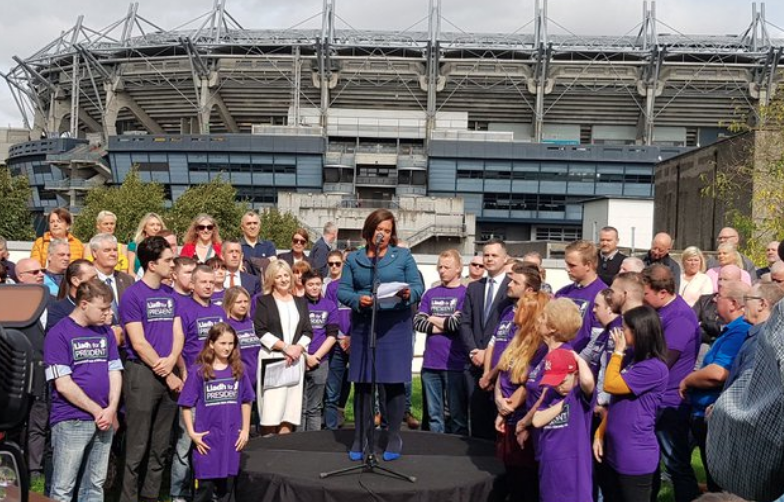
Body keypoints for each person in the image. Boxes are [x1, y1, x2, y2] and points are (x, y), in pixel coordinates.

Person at [338, 208, 424, 460]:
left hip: (395, 324)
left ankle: (394, 435)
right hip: (366, 324)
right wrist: (357, 299)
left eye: (388, 231)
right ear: (369, 230)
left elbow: (418, 286)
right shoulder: (354, 259)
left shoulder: (403, 256)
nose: (383, 234)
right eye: (379, 230)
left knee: (393, 382)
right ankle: (360, 436)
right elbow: (342, 290)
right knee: (364, 382)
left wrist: (410, 294)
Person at [44, 279, 123, 502]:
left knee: (95, 485)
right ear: (84, 304)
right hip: (72, 419)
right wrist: (98, 410)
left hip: (104, 418)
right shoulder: (59, 333)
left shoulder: (105, 332)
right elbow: (63, 384)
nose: (108, 314)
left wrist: (111, 409)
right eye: (103, 309)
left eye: (109, 308)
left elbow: (115, 371)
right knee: (63, 487)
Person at [119, 236, 184, 502]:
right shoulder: (133, 295)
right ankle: (128, 496)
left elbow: (178, 331)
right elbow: (138, 341)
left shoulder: (171, 294)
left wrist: (173, 360)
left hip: (168, 370)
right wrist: (167, 372)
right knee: (137, 444)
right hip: (143, 374)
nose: (173, 265)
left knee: (161, 444)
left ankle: (150, 496)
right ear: (152, 264)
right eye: (168, 260)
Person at [680, 280, 751, 493]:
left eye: (719, 296)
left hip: (714, 412)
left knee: (718, 481)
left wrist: (687, 381)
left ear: (733, 303)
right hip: (705, 411)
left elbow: (719, 372)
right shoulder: (730, 329)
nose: (713, 299)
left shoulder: (739, 331)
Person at [593, 305, 669, 502]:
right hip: (616, 451)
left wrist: (617, 352)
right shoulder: (635, 362)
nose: (619, 332)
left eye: (624, 328)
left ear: (639, 332)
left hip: (635, 455)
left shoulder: (654, 368)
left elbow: (611, 385)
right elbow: (615, 404)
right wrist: (600, 432)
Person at [641, 264, 702, 502]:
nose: (642, 299)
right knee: (650, 463)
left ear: (662, 292)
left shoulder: (679, 316)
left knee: (675, 463)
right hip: (655, 397)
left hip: (670, 401)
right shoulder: (660, 310)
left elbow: (663, 361)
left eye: (645, 293)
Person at [515, 299, 585, 499]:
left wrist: (524, 422)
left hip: (558, 443)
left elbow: (545, 395)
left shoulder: (561, 358)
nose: (539, 319)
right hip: (543, 439)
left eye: (544, 316)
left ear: (553, 328)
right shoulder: (545, 353)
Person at [178, 322, 254, 502]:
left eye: (231, 343)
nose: (227, 348)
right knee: (204, 490)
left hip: (231, 440)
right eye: (222, 343)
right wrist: (192, 433)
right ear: (211, 344)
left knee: (226, 491)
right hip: (207, 442)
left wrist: (245, 430)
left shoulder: (239, 370)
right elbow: (186, 405)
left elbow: (246, 400)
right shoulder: (199, 371)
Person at [493, 286, 548, 502]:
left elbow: (530, 384)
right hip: (506, 414)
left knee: (525, 478)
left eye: (521, 309)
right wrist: (499, 402)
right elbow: (503, 370)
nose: (515, 311)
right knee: (511, 473)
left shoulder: (540, 346)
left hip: (522, 417)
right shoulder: (517, 338)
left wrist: (509, 408)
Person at [459, 238, 513, 440]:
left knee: (498, 418)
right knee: (478, 418)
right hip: (474, 363)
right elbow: (465, 322)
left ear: (505, 258)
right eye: (486, 255)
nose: (489, 259)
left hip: (500, 364)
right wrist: (474, 351)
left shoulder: (512, 287)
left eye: (494, 255)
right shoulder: (474, 288)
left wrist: (489, 355)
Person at [528, 344, 594, 502]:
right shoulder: (551, 393)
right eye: (554, 382)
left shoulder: (580, 395)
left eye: (562, 381)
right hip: (550, 468)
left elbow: (588, 381)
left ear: (575, 374)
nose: (558, 386)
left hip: (575, 469)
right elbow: (537, 420)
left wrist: (578, 358)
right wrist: (563, 404)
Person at [253, 260, 313, 435]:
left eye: (286, 275)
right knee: (271, 410)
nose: (283, 279)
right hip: (273, 359)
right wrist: (286, 347)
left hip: (295, 361)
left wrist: (297, 349)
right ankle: (267, 450)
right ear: (272, 279)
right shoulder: (264, 301)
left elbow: (308, 330)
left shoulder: (300, 302)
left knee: (290, 409)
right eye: (279, 276)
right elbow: (260, 330)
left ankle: (284, 451)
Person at [415, 249, 468, 434]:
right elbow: (418, 322)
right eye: (440, 267)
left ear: (459, 269)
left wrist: (432, 318)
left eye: (447, 267)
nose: (442, 270)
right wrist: (445, 323)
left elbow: (457, 324)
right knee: (434, 415)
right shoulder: (430, 293)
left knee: (456, 415)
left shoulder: (465, 294)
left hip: (454, 363)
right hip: (430, 363)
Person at [724, 283, 784, 389]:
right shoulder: (763, 334)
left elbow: (744, 386)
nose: (742, 305)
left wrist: (723, 404)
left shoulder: (762, 340)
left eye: (746, 299)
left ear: (762, 304)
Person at [301, 270, 338, 431]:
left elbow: (332, 335)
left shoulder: (329, 305)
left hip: (320, 361)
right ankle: (298, 442)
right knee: (300, 407)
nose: (314, 288)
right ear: (303, 286)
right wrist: (305, 356)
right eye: (310, 284)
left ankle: (312, 443)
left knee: (314, 407)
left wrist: (316, 357)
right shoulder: (297, 304)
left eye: (317, 284)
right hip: (299, 358)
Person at [556, 240, 607, 352]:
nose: (567, 269)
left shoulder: (603, 295)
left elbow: (597, 339)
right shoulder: (562, 293)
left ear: (588, 265)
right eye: (566, 264)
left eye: (572, 265)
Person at [323, 252, 352, 430]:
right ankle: (330, 428)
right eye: (331, 264)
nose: (334, 267)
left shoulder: (360, 286)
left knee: (360, 388)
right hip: (338, 341)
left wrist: (352, 337)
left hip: (356, 342)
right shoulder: (333, 287)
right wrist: (341, 337)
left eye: (338, 264)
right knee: (333, 388)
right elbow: (330, 314)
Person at [90, 233, 135, 341]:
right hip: (97, 339)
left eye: (115, 250)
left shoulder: (128, 280)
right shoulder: (87, 279)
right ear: (94, 253)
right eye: (107, 250)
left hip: (126, 341)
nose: (113, 254)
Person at [47, 260, 98, 333]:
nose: (98, 282)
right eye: (92, 279)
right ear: (75, 281)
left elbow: (116, 332)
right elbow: (61, 338)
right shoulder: (57, 310)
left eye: (97, 278)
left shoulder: (101, 306)